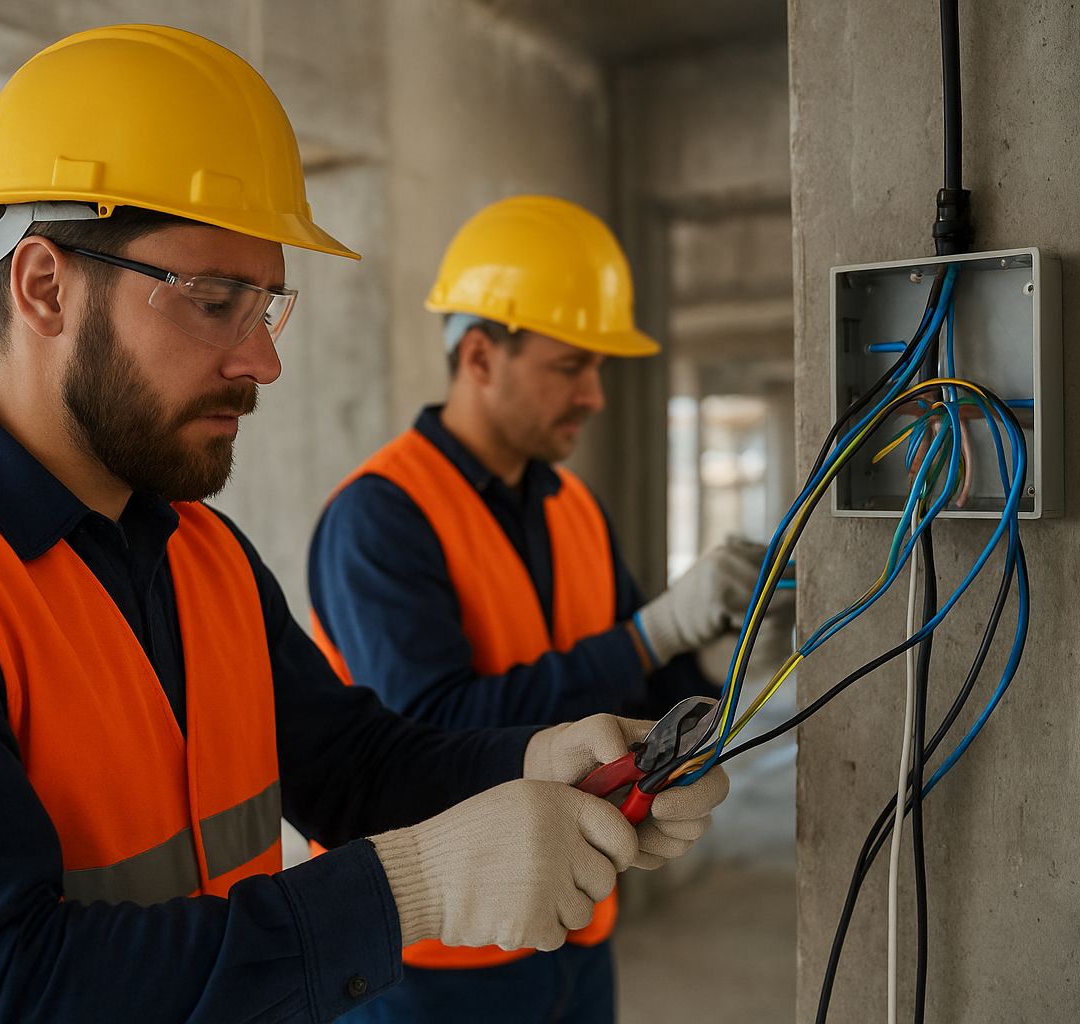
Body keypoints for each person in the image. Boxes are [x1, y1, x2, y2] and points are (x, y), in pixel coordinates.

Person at [0, 26, 728, 1024]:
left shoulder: (202, 554)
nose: (262, 362)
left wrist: (533, 762)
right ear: (43, 286)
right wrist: (409, 888)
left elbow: (352, 766)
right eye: (214, 301)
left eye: (266, 306)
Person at [308, 195, 761, 1022]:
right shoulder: (380, 516)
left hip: (577, 933)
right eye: (570, 366)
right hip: (435, 959)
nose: (594, 395)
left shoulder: (574, 507)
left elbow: (640, 690)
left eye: (599, 369)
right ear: (479, 355)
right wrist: (652, 629)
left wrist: (727, 660)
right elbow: (426, 736)